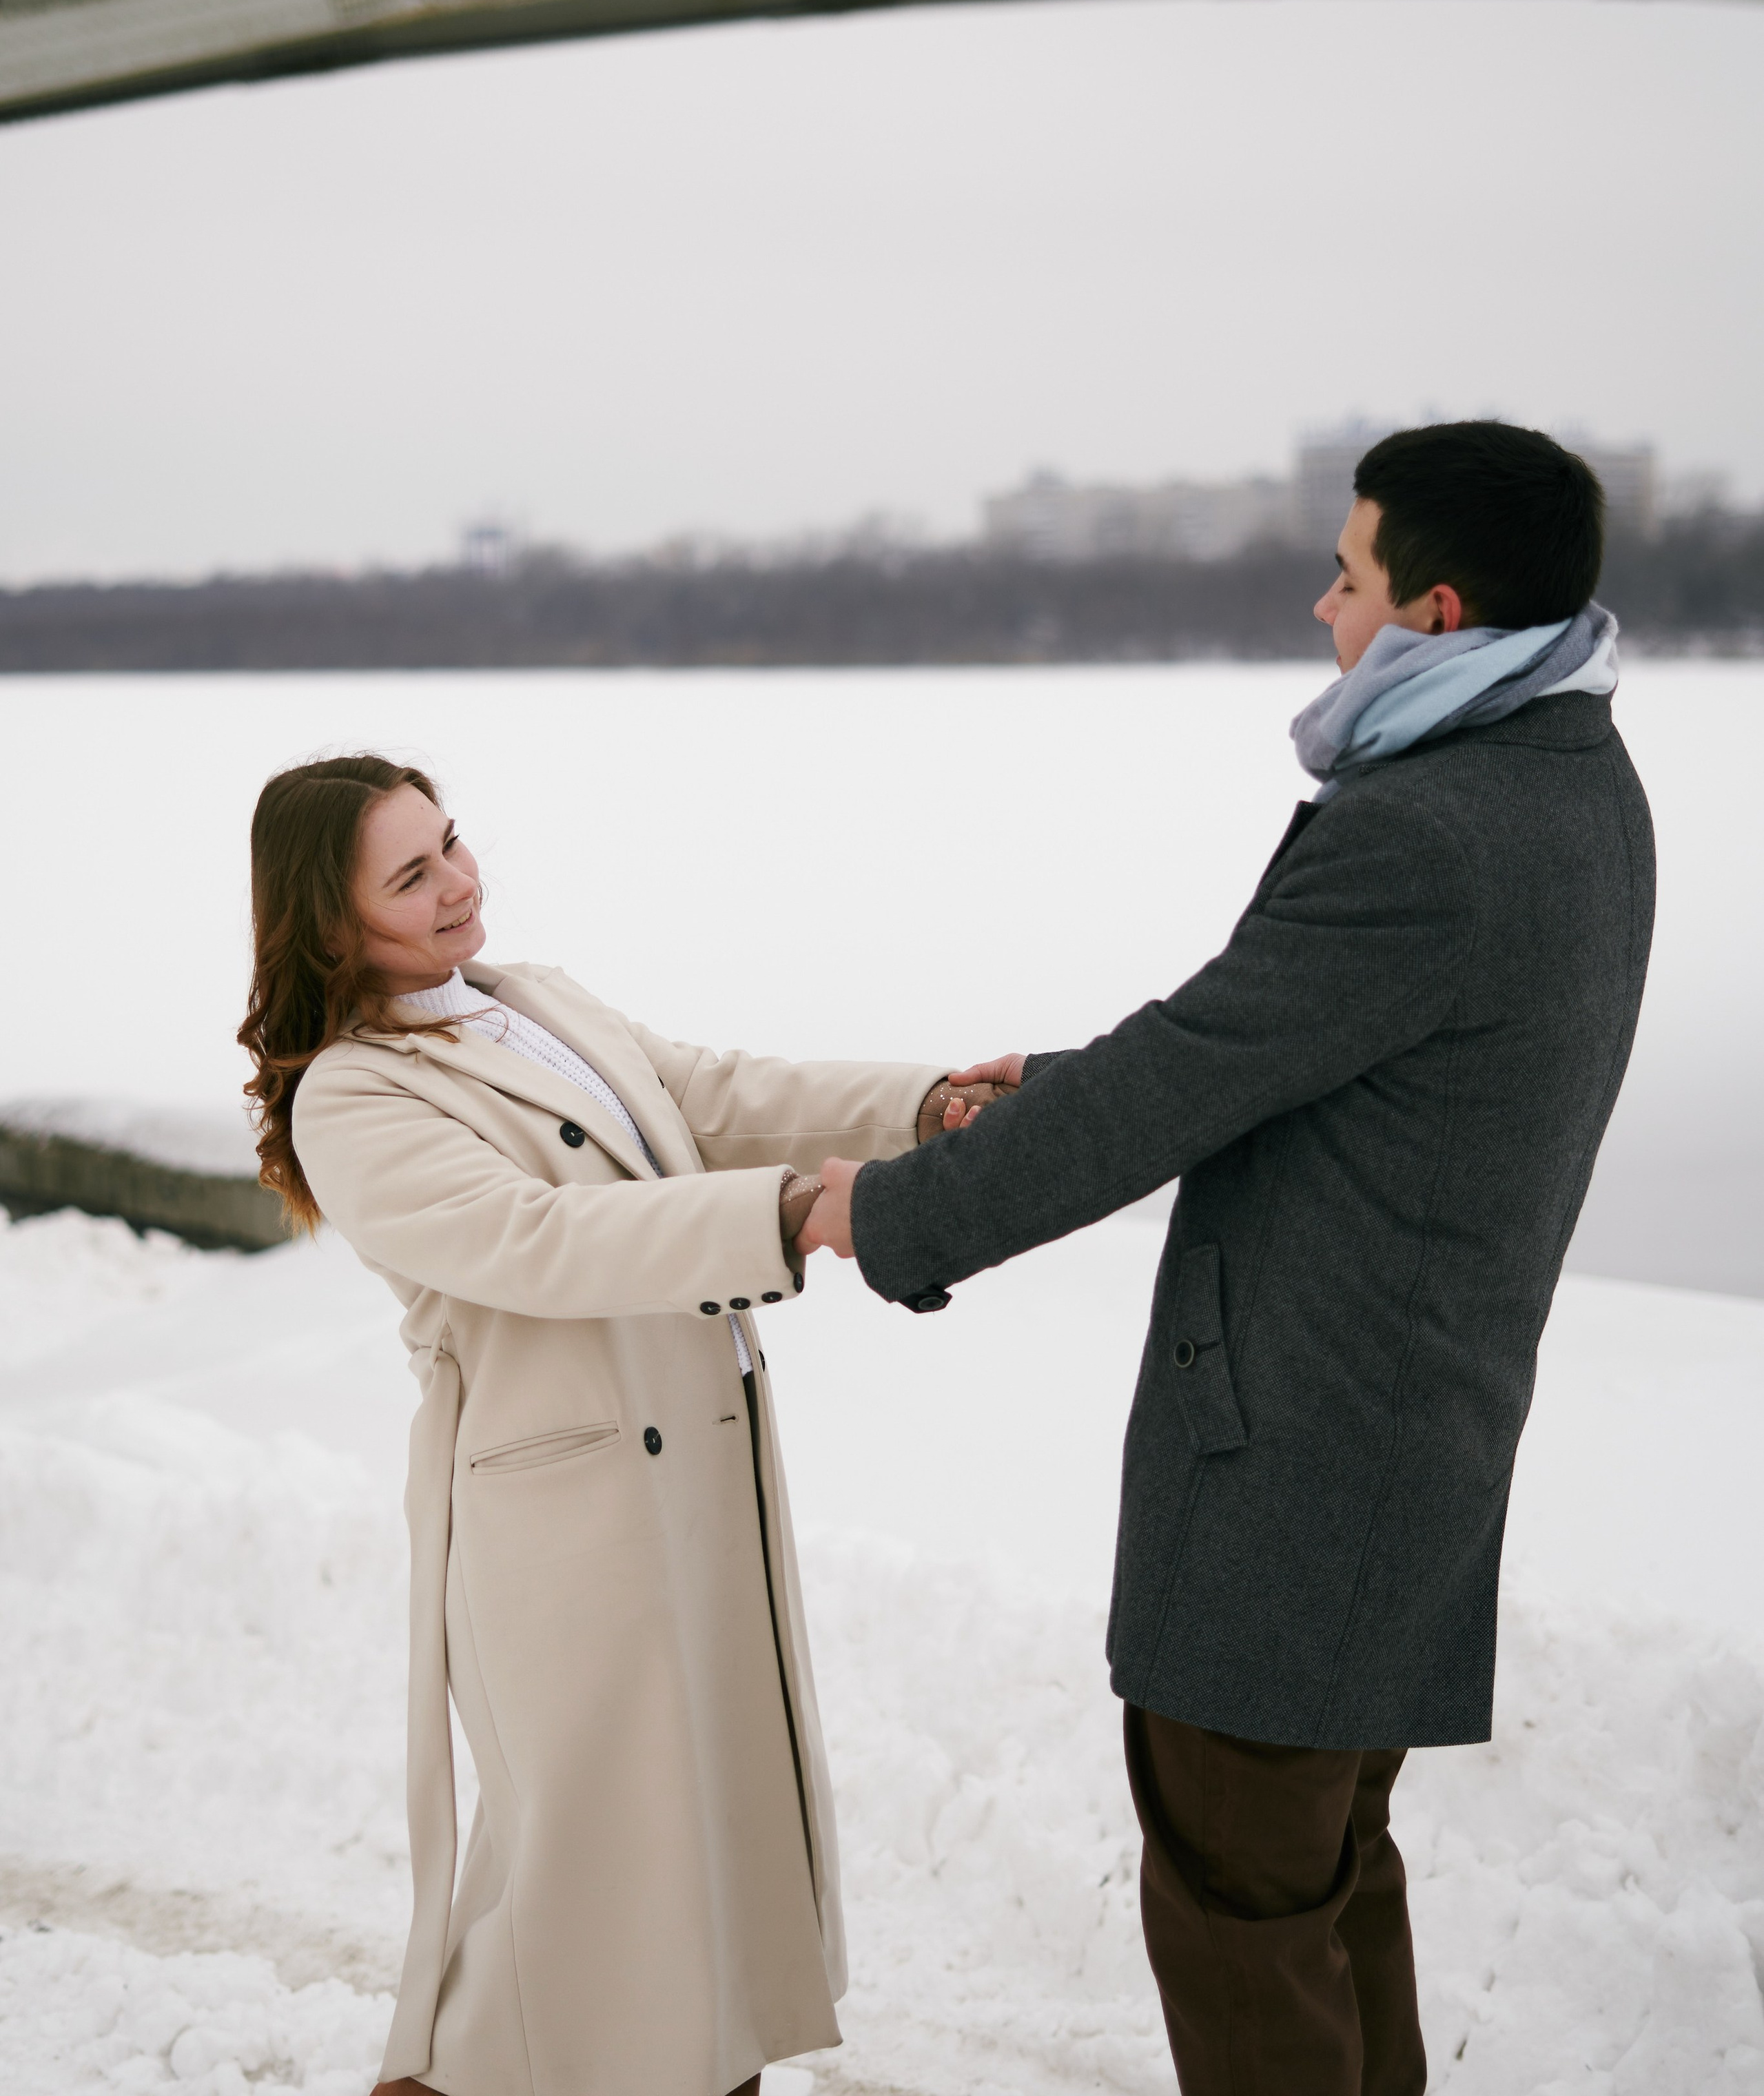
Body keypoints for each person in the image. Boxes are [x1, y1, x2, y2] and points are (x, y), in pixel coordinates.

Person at [803, 421, 1655, 2096]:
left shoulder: (1427, 832)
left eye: (1344, 576)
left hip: (1300, 1470)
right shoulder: (1569, 779)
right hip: (1404, 1447)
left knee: (1241, 1922)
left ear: (1433, 609)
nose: (1317, 606)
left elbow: (1197, 1068)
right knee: (1319, 1888)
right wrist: (1053, 1085)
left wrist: (888, 1212)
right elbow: (1307, 1045)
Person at [237, 753, 998, 2096]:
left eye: (451, 842)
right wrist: (786, 1215)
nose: (458, 881)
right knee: (583, 1896)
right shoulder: (352, 1095)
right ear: (330, 928)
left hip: (689, 1481)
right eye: (410, 876)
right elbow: (538, 1240)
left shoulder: (530, 999)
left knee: (692, 1873)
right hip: (567, 1524)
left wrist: (920, 1107)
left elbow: (713, 1095)